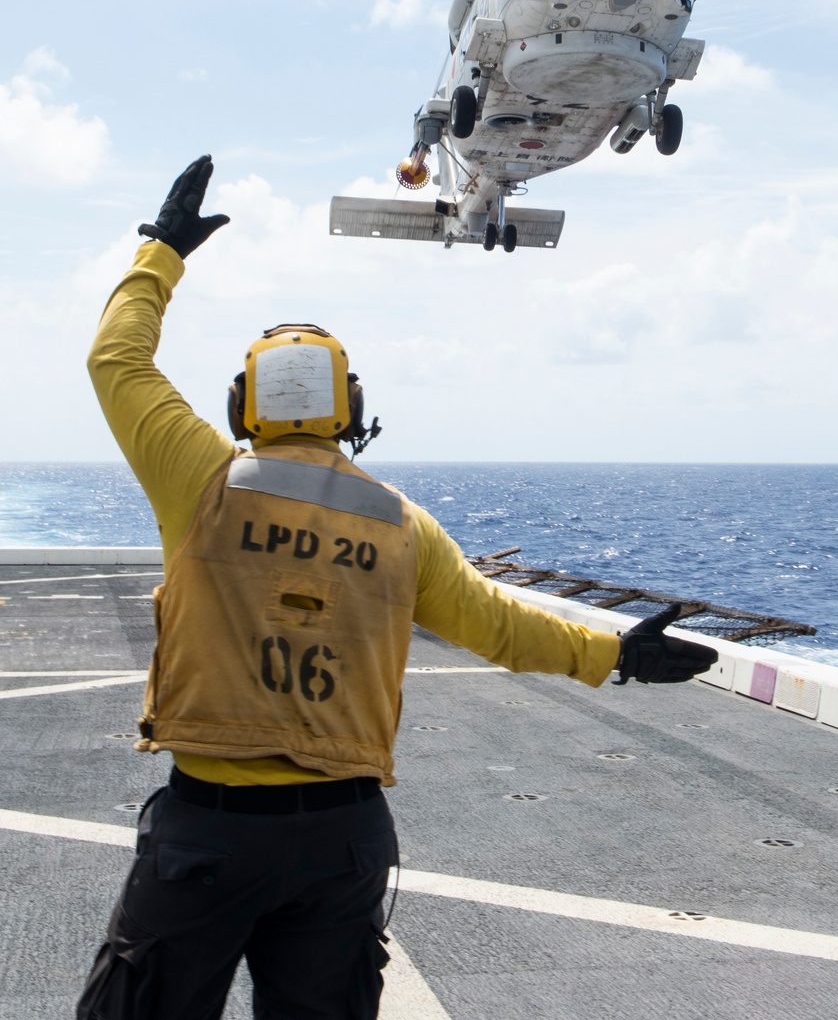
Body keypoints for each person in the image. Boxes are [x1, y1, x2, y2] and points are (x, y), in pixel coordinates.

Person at [77, 156, 718, 1020]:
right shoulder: (401, 525)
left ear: (242, 408)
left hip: (210, 836)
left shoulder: (202, 480)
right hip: (340, 843)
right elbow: (498, 625)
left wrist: (162, 251)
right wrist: (615, 653)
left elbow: (116, 359)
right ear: (351, 408)